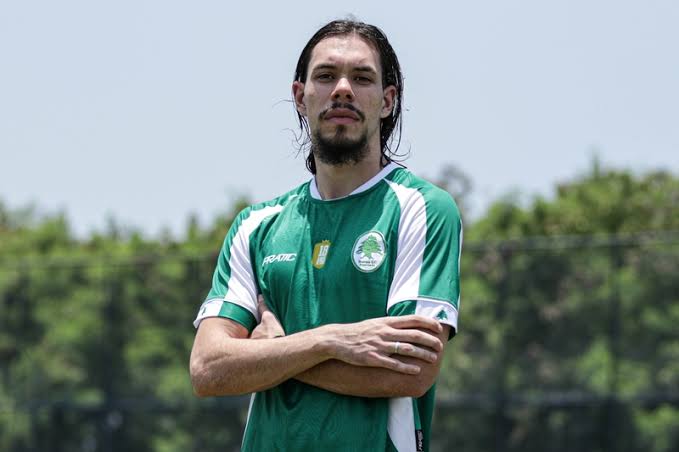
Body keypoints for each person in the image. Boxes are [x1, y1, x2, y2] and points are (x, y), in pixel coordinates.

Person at [189, 18, 463, 452]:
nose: (343, 89)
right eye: (326, 75)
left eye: (362, 78)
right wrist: (329, 341)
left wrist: (276, 352)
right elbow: (208, 369)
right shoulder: (256, 225)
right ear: (300, 97)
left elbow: (411, 371)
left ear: (388, 101)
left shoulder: (422, 208)